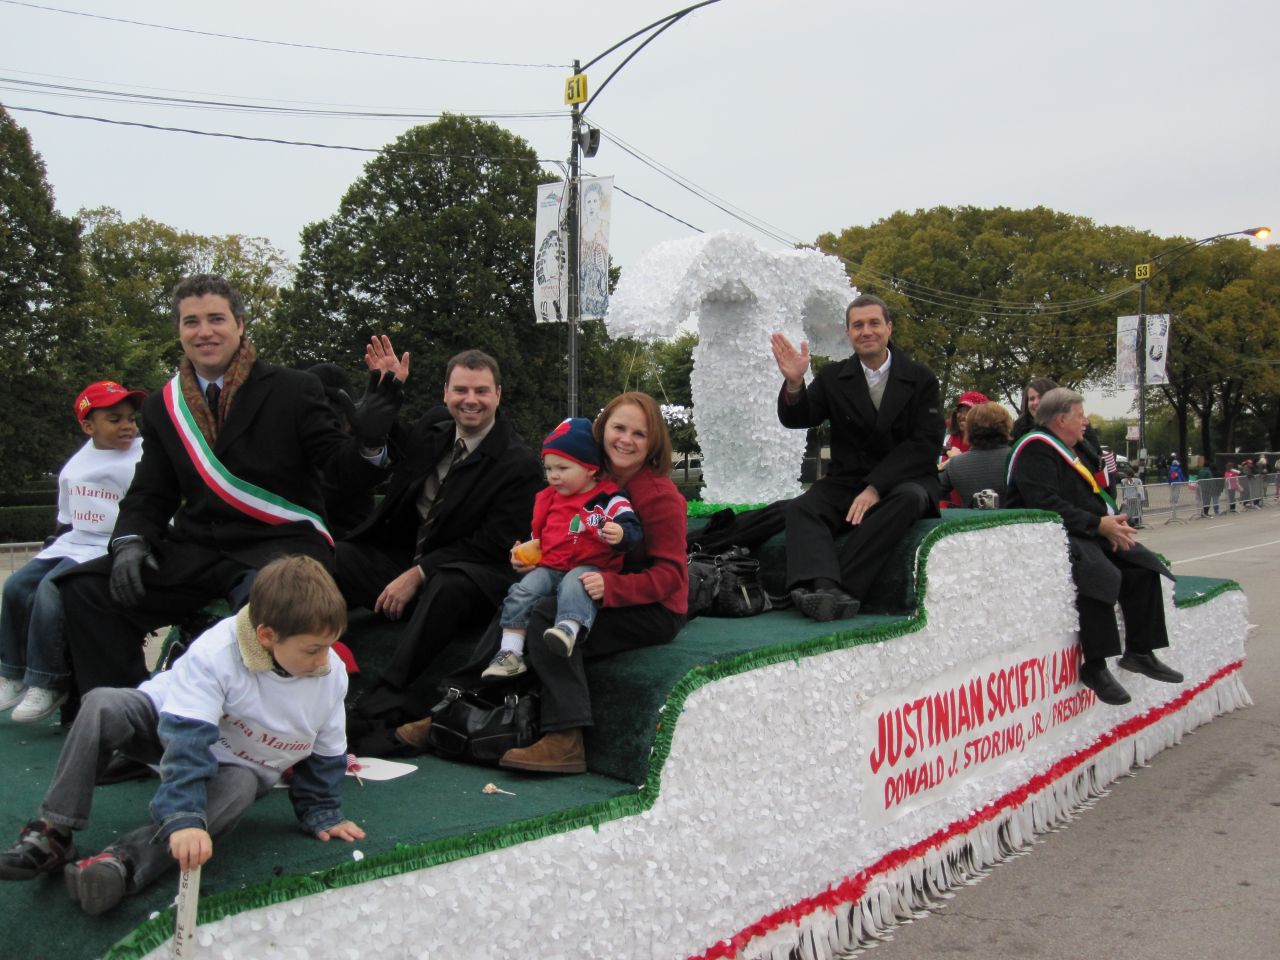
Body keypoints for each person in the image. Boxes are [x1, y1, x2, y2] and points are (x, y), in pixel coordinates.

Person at [56, 275, 400, 696]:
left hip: (280, 545)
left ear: (239, 325)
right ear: (179, 332)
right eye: (191, 322)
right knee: (86, 589)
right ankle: (126, 716)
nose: (204, 332)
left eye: (216, 318)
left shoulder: (294, 388)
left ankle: (263, 731)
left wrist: (368, 442)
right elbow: (150, 492)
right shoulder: (165, 407)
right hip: (197, 549)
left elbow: (339, 471)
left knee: (270, 612)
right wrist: (130, 540)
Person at [0, 556, 364, 914]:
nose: (323, 661)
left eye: (329, 645)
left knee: (240, 787)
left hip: (235, 766)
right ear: (266, 636)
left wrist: (322, 813)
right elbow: (187, 738)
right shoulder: (218, 651)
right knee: (101, 705)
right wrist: (184, 818)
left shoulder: (331, 676)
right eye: (313, 649)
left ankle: (122, 864)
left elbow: (327, 752)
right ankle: (54, 833)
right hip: (169, 728)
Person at [401, 393, 688, 774]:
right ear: (602, 432)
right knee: (517, 603)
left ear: (653, 443)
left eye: (640, 433)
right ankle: (454, 708)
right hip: (583, 582)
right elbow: (567, 537)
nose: (627, 440)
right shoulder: (586, 477)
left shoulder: (660, 496)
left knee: (546, 616)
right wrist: (537, 556)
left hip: (651, 607)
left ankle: (566, 738)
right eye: (619, 428)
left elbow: (671, 577)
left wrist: (611, 589)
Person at [336, 349, 543, 700]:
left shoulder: (518, 463)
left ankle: (386, 696)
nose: (470, 400)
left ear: (498, 395)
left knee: (448, 582)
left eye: (481, 391)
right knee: (332, 554)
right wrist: (383, 401)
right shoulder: (433, 428)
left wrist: (420, 574)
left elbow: (491, 543)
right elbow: (388, 439)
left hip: (471, 578)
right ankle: (309, 660)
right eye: (461, 390)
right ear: (446, 392)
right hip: (406, 562)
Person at [769, 294, 944, 621]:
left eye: (874, 323)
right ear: (848, 333)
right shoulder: (834, 377)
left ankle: (845, 586)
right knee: (803, 507)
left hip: (906, 480)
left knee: (907, 499)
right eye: (858, 325)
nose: (867, 331)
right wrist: (795, 384)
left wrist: (876, 486)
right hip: (847, 480)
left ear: (889, 328)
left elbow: (925, 444)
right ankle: (822, 587)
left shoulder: (921, 378)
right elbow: (799, 417)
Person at [1006, 388, 1182, 705]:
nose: (1085, 422)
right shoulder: (1036, 449)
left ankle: (1140, 651)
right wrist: (1098, 524)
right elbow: (1044, 503)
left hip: (1086, 527)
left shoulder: (1077, 447)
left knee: (1142, 564)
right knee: (1098, 573)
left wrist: (1111, 523)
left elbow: (1096, 487)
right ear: (1061, 419)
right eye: (1080, 415)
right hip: (1053, 534)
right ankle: (1096, 665)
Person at [1, 382, 146, 723]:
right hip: (77, 540)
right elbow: (67, 518)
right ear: (88, 426)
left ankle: (49, 681)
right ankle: (13, 671)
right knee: (17, 586)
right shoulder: (77, 463)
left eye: (130, 418)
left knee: (54, 588)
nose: (127, 425)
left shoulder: (143, 456)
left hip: (112, 543)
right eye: (115, 419)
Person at [482, 418, 642, 679]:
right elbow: (540, 535)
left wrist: (621, 533)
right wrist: (525, 553)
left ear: (590, 468)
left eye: (562, 468)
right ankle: (510, 652)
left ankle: (567, 629)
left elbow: (632, 528)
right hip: (551, 564)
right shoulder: (549, 498)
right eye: (548, 468)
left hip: (591, 565)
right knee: (522, 590)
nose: (553, 475)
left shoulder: (609, 497)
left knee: (575, 584)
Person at [938, 402, 1013, 507]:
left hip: (970, 522)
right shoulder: (1018, 458)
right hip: (1015, 522)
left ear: (969, 428)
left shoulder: (955, 464)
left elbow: (930, 492)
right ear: (1006, 425)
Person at [939, 390, 989, 507]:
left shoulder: (987, 444)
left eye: (968, 411)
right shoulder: (946, 437)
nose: (962, 416)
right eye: (960, 411)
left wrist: (957, 460)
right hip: (947, 505)